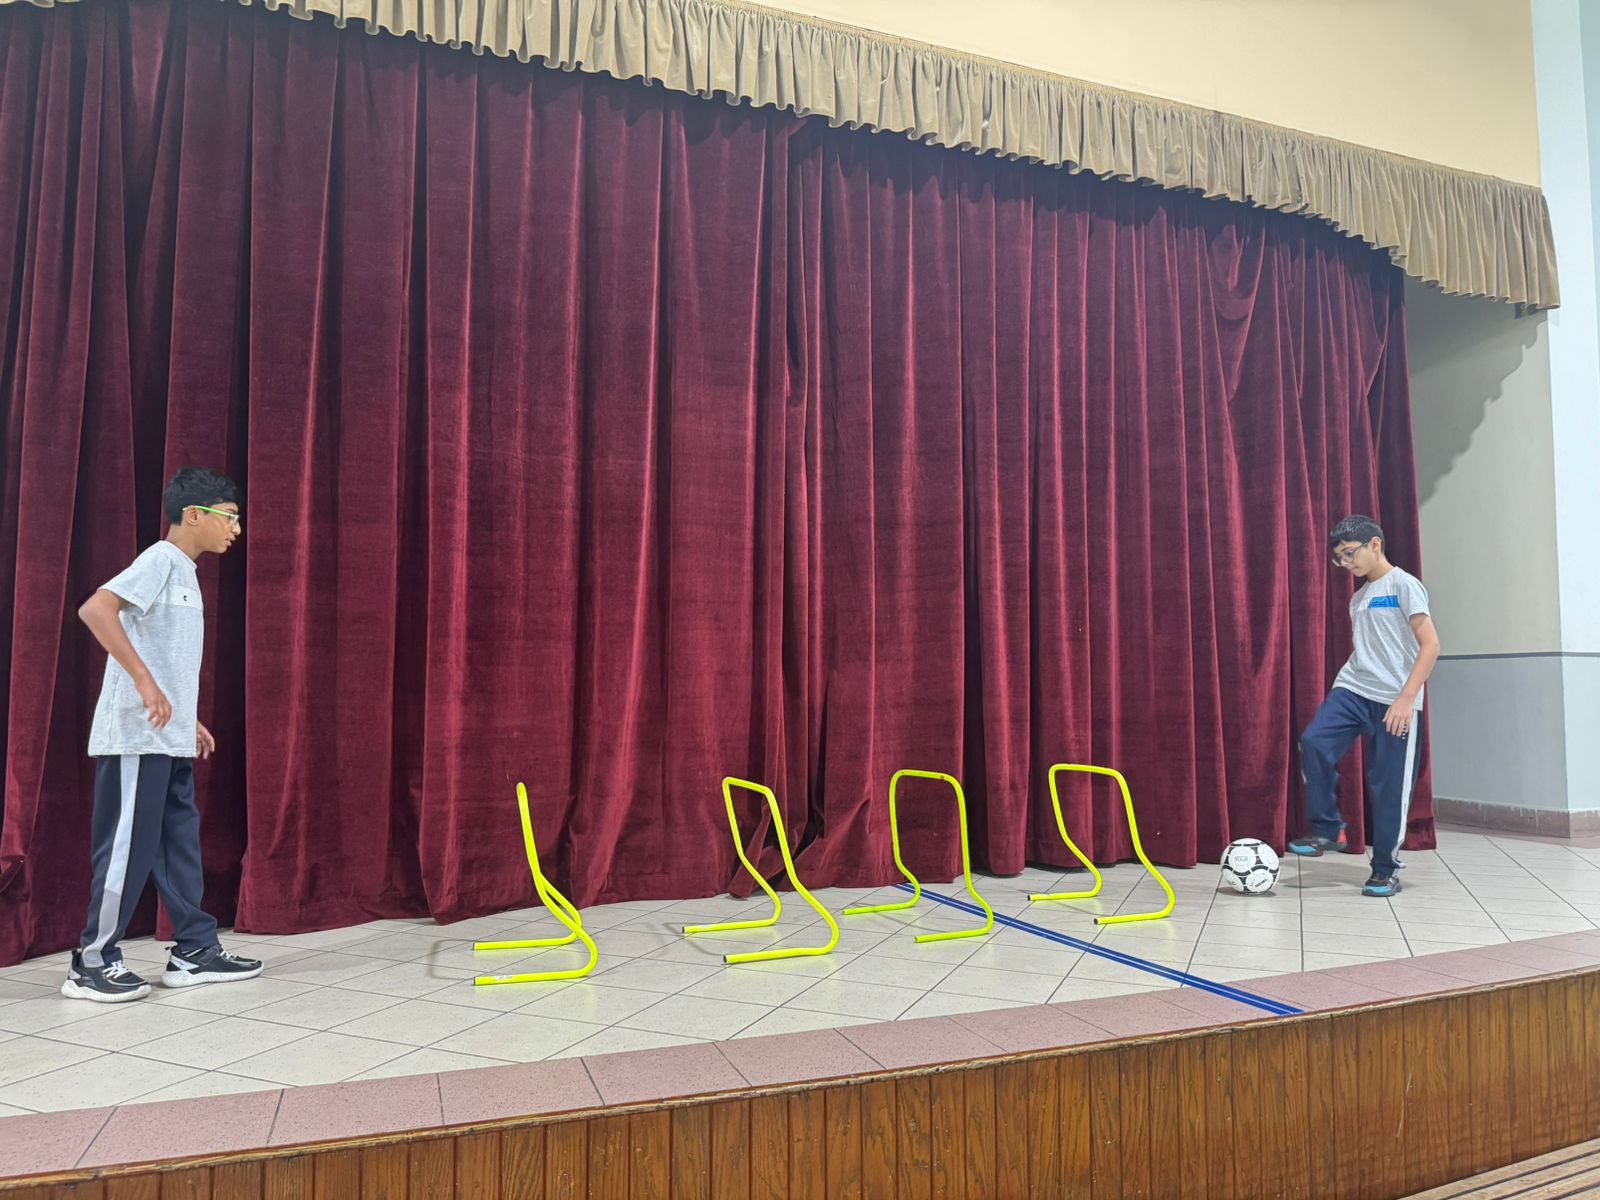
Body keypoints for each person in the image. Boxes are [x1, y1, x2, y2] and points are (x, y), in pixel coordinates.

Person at [63, 467, 263, 1001]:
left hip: (167, 737)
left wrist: (186, 718)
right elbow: (96, 609)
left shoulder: (186, 574)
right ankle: (91, 961)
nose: (236, 528)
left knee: (178, 846)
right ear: (194, 514)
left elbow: (166, 655)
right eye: (230, 517)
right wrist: (143, 682)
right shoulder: (160, 559)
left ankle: (195, 950)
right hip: (136, 737)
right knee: (127, 848)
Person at [1287, 514, 1441, 897]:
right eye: (1339, 558)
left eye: (1349, 553)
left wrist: (1406, 699)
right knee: (1314, 742)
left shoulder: (1405, 585)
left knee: (1388, 788)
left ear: (1375, 544)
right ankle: (1328, 828)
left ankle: (1385, 869)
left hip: (1396, 700)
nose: (1345, 563)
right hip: (1354, 689)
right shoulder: (1358, 598)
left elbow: (1431, 645)